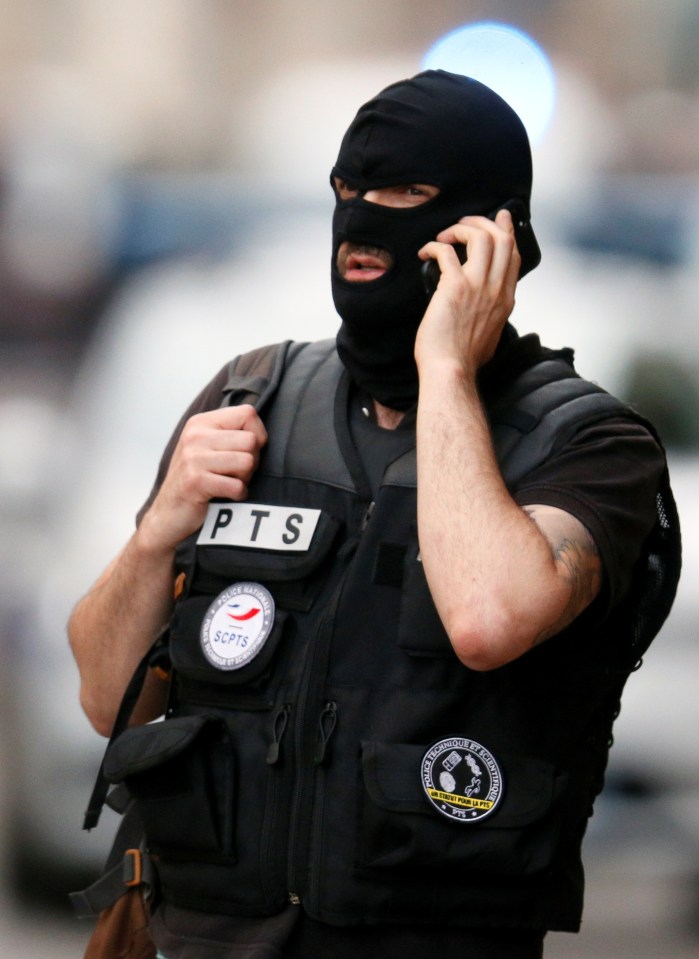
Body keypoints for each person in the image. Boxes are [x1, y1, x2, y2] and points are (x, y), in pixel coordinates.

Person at [69, 70, 680, 959]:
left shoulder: (588, 446)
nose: (361, 222)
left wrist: (444, 372)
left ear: (491, 234)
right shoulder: (252, 399)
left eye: (404, 193)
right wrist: (159, 526)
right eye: (346, 190)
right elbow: (104, 699)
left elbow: (485, 618)